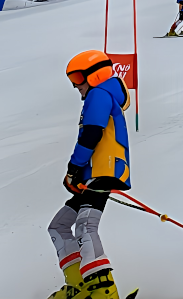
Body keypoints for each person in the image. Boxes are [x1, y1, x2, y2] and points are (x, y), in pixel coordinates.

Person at [47, 50, 131, 299]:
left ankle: (105, 292)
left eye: (77, 77)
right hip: (93, 174)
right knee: (59, 226)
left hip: (104, 171)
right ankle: (79, 287)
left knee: (85, 227)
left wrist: (73, 169)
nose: (75, 85)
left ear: (95, 75)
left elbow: (92, 134)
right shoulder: (100, 95)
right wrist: (78, 175)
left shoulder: (99, 94)